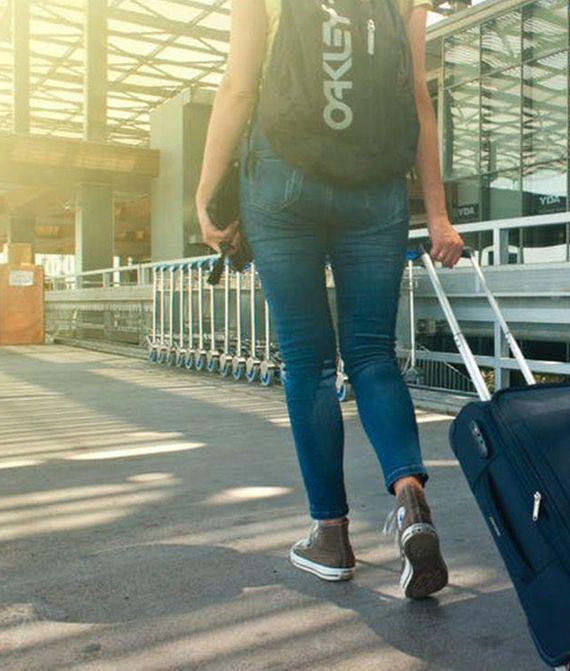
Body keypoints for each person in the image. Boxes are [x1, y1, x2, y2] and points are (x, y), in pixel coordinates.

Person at [195, 0, 463, 598]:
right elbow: (419, 102)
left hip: (283, 184)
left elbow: (239, 85)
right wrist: (439, 215)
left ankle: (331, 535)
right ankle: (410, 501)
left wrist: (207, 192)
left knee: (309, 363)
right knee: (372, 354)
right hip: (375, 193)